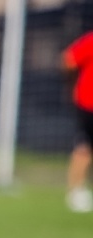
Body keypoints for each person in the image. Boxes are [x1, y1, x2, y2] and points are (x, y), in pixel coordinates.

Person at [64, 29, 93, 213]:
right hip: (88, 103)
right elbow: (69, 59)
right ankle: (75, 191)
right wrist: (71, 84)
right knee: (84, 147)